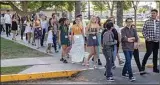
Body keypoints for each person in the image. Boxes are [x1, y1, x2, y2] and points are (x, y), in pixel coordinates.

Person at [141, 9, 160, 75]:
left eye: (154, 13)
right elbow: (143, 31)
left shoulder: (158, 22)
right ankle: (143, 65)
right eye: (152, 13)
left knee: (155, 54)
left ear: (156, 14)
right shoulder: (147, 22)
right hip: (149, 40)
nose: (152, 14)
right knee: (148, 52)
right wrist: (147, 38)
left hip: (157, 41)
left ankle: (155, 68)